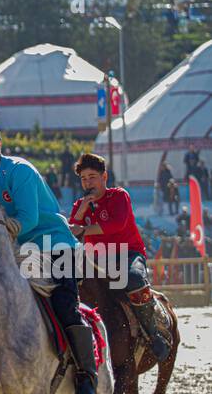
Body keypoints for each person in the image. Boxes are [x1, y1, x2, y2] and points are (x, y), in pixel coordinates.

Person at [0, 121, 98, 394]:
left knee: (64, 305)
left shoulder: (20, 171)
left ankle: (87, 374)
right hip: (17, 250)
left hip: (54, 244)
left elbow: (29, 218)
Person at [68, 152, 170, 361]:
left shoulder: (119, 195)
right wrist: (82, 213)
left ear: (104, 177)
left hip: (128, 254)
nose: (88, 183)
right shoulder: (80, 205)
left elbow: (116, 225)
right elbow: (71, 229)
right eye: (84, 179)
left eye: (92, 177)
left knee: (133, 278)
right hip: (96, 259)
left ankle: (153, 333)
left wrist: (83, 229)